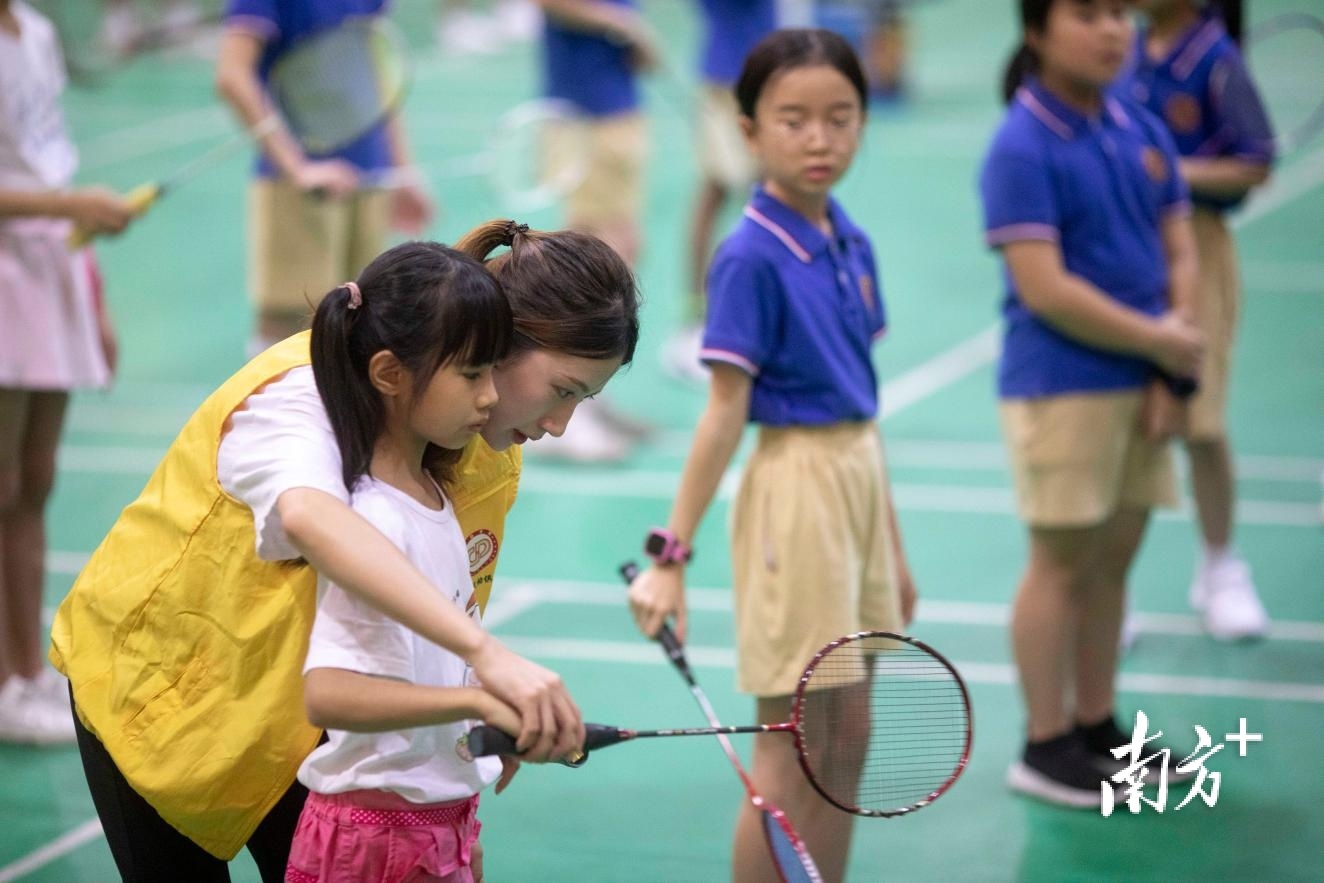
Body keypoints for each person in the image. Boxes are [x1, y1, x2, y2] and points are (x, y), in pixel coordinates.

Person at [49, 219, 640, 880]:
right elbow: (309, 515)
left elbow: (438, 609)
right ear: (498, 345)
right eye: (562, 390)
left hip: (314, 729)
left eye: (583, 400)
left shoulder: (488, 452)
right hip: (165, 692)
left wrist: (460, 761)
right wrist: (489, 658)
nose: (560, 425)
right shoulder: (302, 393)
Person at [627, 29, 917, 883]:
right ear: (748, 131)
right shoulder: (749, 254)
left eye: (840, 117)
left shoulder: (849, 239)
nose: (820, 137)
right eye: (793, 120)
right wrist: (670, 557)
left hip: (856, 478)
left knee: (849, 735)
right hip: (795, 488)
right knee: (789, 745)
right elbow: (723, 414)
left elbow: (867, 405)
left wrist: (891, 545)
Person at [979, 0, 1206, 809]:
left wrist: (1173, 363)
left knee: (1115, 558)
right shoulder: (1021, 143)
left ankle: (1098, 723)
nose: (1113, 30)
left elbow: (1179, 244)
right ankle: (1045, 744)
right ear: (1036, 30)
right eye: (1087, 13)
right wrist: (1163, 342)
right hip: (1063, 381)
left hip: (1142, 379)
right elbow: (1045, 288)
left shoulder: (1138, 124)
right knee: (1062, 562)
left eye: (1120, 11)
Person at [283, 242, 520, 883]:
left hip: (432, 820)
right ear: (389, 374)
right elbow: (330, 694)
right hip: (374, 841)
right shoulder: (375, 518)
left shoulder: (436, 498)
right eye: (472, 375)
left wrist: (475, 747)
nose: (491, 396)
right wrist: (475, 698)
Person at [0, 0, 137, 745]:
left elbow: (49, 156)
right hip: (3, 271)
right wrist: (69, 203)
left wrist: (94, 295)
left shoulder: (38, 32)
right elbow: (53, 188)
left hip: (50, 266)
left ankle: (25, 671)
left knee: (35, 480)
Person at [1118, 0, 1274, 640]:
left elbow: (1254, 162)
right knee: (1125, 421)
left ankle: (1221, 568)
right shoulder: (1120, 48)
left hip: (1199, 247)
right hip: (1125, 245)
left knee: (1200, 419)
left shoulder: (1215, 59)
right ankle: (1112, 588)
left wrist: (1168, 171)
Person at [215, 0, 435, 357]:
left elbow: (373, 65)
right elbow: (232, 74)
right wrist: (297, 166)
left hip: (369, 171)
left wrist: (401, 171)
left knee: (361, 321)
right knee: (292, 327)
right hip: (301, 182)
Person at [526, 0, 658, 461]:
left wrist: (637, 40)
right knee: (579, 273)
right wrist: (619, 22)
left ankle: (589, 400)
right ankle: (561, 409)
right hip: (577, 114)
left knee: (621, 256)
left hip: (619, 106)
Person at [661, 0, 776, 386]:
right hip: (730, 81)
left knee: (759, 201)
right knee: (728, 197)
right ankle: (699, 324)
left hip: (762, 73)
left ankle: (743, 320)